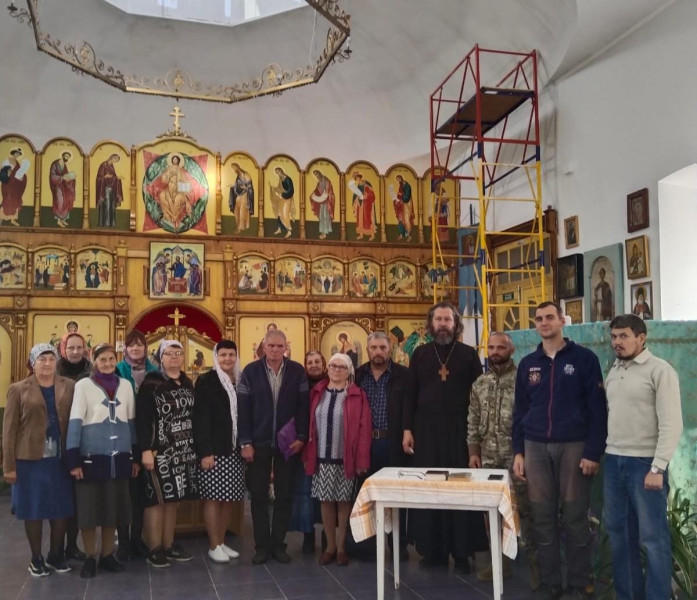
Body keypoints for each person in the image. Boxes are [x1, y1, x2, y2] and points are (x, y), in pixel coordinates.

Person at [512, 301, 608, 599]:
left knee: (576, 517)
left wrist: (592, 452)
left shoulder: (584, 359)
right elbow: (520, 411)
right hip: (535, 447)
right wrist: (519, 452)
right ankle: (550, 582)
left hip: (573, 446)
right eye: (539, 318)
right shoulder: (528, 364)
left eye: (550, 317)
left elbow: (598, 409)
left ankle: (579, 583)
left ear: (562, 321)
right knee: (542, 519)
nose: (544, 322)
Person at [402, 302, 488, 572]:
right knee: (430, 488)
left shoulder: (468, 354)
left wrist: (477, 438)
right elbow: (410, 393)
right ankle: (433, 551)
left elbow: (479, 397)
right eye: (438, 319)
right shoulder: (420, 354)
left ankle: (462, 553)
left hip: (459, 431)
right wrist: (407, 429)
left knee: (460, 489)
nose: (442, 324)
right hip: (425, 431)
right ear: (431, 324)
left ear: (455, 324)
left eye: (447, 319)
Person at [604, 314, 683, 600]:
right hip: (613, 461)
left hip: (644, 465)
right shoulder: (614, 370)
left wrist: (658, 467)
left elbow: (672, 424)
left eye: (624, 336)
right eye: (614, 337)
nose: (617, 342)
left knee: (653, 539)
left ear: (641, 337)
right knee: (619, 537)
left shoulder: (660, 371)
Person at [467, 333, 538, 587]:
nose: (495, 352)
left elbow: (531, 417)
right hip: (488, 457)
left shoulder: (523, 380)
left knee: (527, 510)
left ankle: (537, 568)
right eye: (491, 347)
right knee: (492, 511)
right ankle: (500, 564)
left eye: (500, 347)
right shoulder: (480, 383)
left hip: (517, 454)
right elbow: (473, 418)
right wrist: (473, 451)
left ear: (511, 350)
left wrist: (526, 452)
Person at [237, 329, 309, 565]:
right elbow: (243, 409)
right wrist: (245, 442)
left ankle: (278, 544)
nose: (276, 350)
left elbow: (303, 406)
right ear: (264, 347)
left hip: (288, 442)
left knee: (284, 494)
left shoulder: (297, 371)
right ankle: (261, 546)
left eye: (280, 346)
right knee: (258, 495)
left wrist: (302, 436)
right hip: (258, 442)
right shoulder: (250, 371)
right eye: (271, 346)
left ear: (286, 347)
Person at [66, 344, 139, 579]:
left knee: (112, 510)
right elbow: (75, 423)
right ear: (94, 361)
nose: (107, 364)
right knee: (89, 512)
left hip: (119, 458)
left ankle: (108, 555)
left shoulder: (125, 386)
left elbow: (131, 423)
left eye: (111, 359)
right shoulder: (83, 386)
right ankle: (90, 556)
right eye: (102, 359)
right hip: (91, 459)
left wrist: (134, 457)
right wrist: (73, 460)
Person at [2, 344, 75, 577]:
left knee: (61, 508)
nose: (47, 363)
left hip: (60, 459)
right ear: (33, 363)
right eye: (42, 359)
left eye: (51, 358)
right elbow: (9, 430)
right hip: (30, 461)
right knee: (33, 509)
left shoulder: (69, 385)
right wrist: (9, 466)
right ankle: (36, 558)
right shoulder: (18, 389)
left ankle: (56, 555)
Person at [303, 353, 371, 567]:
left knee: (344, 503)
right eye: (333, 365)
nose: (336, 370)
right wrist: (307, 454)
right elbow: (308, 425)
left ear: (349, 371)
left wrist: (361, 460)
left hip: (345, 458)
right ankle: (329, 547)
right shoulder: (317, 392)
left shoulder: (357, 395)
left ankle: (341, 548)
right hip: (322, 457)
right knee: (325, 502)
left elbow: (364, 430)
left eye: (341, 367)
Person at [136, 340, 197, 568]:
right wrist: (145, 451)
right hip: (158, 451)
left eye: (178, 353)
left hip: (182, 449)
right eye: (169, 353)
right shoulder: (151, 383)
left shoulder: (187, 383)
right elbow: (143, 420)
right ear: (160, 358)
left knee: (173, 500)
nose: (174, 357)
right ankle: (154, 548)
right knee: (156, 500)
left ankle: (169, 544)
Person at [355, 331, 412, 561]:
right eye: (374, 348)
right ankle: (370, 545)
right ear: (367, 350)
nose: (378, 352)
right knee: (367, 494)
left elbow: (409, 406)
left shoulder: (403, 375)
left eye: (382, 348)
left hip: (393, 441)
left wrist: (408, 430)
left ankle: (399, 544)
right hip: (366, 443)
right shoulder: (358, 375)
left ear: (390, 349)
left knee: (396, 494)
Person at [192, 340, 244, 563]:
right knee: (213, 497)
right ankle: (213, 545)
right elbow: (201, 418)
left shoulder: (239, 379)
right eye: (223, 355)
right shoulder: (207, 380)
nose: (227, 359)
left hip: (233, 449)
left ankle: (222, 542)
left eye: (231, 355)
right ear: (216, 357)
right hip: (214, 450)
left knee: (228, 498)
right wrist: (205, 451)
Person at [115, 329, 158, 561]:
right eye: (131, 345)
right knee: (124, 493)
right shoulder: (117, 371)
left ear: (145, 348)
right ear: (125, 348)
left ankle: (137, 539)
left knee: (142, 493)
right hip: (124, 435)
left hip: (148, 435)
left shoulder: (155, 372)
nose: (135, 348)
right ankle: (123, 541)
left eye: (139, 345)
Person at [56, 331, 92, 561]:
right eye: (71, 347)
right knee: (60, 497)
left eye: (80, 347)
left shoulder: (93, 372)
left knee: (79, 498)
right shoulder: (53, 371)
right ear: (64, 349)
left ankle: (72, 545)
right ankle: (56, 548)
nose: (76, 351)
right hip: (58, 440)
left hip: (83, 439)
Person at [290, 351, 328, 554]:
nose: (314, 365)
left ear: (324, 364)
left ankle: (328, 535)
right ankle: (308, 535)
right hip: (305, 445)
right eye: (310, 362)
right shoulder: (300, 385)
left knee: (327, 492)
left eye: (317, 361)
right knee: (306, 492)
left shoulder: (333, 383)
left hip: (328, 446)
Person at [0, 147, 29, 225]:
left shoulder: (17, 162)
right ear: (13, 153)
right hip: (8, 185)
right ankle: (1, 218)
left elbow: (20, 172)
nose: (17, 155)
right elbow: (3, 171)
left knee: (15, 201)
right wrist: (7, 174)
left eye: (19, 154)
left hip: (15, 186)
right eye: (16, 153)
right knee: (7, 200)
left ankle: (13, 219)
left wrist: (22, 177)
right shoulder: (8, 160)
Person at [49, 151, 76, 228]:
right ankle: (58, 221)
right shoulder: (55, 164)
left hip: (64, 186)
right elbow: (52, 176)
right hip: (57, 186)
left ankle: (63, 220)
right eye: (66, 156)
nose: (67, 158)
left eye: (68, 157)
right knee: (59, 201)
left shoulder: (64, 165)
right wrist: (61, 178)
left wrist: (71, 178)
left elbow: (66, 176)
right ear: (63, 155)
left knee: (66, 201)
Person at [95, 153, 123, 227]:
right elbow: (98, 178)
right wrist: (105, 176)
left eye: (116, 160)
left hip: (112, 189)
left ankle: (112, 223)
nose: (115, 161)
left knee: (112, 205)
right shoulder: (103, 165)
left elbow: (113, 177)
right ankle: (106, 223)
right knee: (107, 205)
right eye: (115, 159)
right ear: (111, 157)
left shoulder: (111, 166)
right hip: (105, 189)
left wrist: (117, 178)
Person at [348, 171, 376, 240]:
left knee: (367, 218)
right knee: (360, 219)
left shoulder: (367, 184)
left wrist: (365, 196)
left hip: (367, 204)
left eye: (358, 177)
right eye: (355, 178)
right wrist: (357, 198)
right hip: (360, 204)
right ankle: (361, 234)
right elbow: (355, 195)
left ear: (360, 177)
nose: (357, 179)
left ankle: (372, 234)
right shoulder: (357, 186)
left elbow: (372, 194)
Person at [309, 169, 335, 239]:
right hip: (322, 201)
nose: (316, 176)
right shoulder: (319, 183)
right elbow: (316, 191)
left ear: (319, 173)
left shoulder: (326, 181)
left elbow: (329, 191)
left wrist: (327, 195)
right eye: (315, 175)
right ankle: (323, 232)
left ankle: (325, 233)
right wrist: (312, 195)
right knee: (322, 217)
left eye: (317, 174)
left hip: (327, 202)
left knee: (326, 216)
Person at [228, 162, 254, 233]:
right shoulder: (238, 176)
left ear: (237, 167)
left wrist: (246, 187)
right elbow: (237, 186)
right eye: (233, 168)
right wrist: (233, 186)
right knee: (236, 209)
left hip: (245, 195)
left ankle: (241, 227)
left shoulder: (246, 174)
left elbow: (250, 186)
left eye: (234, 168)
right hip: (239, 195)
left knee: (242, 210)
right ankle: (238, 226)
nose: (234, 170)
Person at [271, 166, 294, 238]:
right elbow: (279, 188)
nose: (278, 174)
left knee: (285, 213)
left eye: (278, 172)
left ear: (281, 171)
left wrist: (283, 195)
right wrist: (274, 189)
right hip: (282, 198)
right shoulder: (281, 179)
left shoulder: (288, 179)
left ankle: (289, 231)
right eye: (276, 173)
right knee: (279, 213)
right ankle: (279, 229)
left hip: (287, 198)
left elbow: (291, 190)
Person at [393, 175, 414, 240]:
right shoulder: (401, 185)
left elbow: (407, 196)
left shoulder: (407, 186)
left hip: (407, 205)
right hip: (401, 205)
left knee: (407, 220)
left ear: (401, 178)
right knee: (400, 219)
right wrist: (396, 200)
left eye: (399, 179)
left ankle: (409, 235)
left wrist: (402, 198)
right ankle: (401, 234)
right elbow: (399, 194)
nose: (398, 181)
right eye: (397, 180)